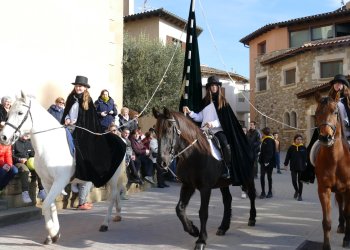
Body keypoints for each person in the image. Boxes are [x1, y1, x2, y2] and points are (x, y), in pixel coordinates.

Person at [183, 75, 253, 185]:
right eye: (212, 85)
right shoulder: (204, 102)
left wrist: (212, 123)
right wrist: (190, 112)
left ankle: (227, 168)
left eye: (216, 85)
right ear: (209, 88)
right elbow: (200, 117)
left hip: (217, 130)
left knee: (225, 144)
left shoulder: (223, 102)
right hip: (204, 131)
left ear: (218, 87)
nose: (214, 87)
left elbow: (224, 120)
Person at [61, 75, 126, 187]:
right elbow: (66, 111)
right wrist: (66, 118)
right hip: (68, 126)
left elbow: (89, 118)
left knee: (81, 148)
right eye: (77, 86)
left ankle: (77, 174)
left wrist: (77, 123)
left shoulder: (88, 100)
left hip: (81, 130)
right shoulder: (71, 98)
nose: (78, 88)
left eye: (80, 86)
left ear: (85, 88)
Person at [303, 74, 350, 183]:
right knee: (311, 147)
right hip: (329, 127)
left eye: (340, 83)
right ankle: (309, 174)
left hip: (347, 129)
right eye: (335, 83)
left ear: (344, 86)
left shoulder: (347, 99)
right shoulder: (327, 99)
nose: (337, 85)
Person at [12, 134, 46, 203]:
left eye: (28, 134)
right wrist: (19, 159)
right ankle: (25, 193)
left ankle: (41, 190)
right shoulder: (15, 142)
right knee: (25, 170)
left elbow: (32, 154)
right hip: (18, 162)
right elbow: (11, 155)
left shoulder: (29, 142)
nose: (26, 135)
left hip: (29, 162)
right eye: (25, 133)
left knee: (39, 168)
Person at [284, 134, 307, 201]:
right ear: (295, 140)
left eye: (300, 139)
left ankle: (300, 195)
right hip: (293, 167)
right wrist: (286, 164)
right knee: (294, 180)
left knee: (300, 182)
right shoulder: (291, 148)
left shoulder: (303, 148)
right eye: (298, 139)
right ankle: (296, 190)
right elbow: (287, 156)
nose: (299, 140)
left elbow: (306, 158)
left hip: (301, 167)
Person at [258, 127, 276, 199]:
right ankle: (263, 192)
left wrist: (266, 161)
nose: (262, 134)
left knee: (268, 177)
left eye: (262, 133)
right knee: (262, 177)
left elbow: (270, 152)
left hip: (268, 162)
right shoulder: (265, 140)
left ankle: (270, 192)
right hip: (263, 162)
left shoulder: (269, 140)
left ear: (264, 133)